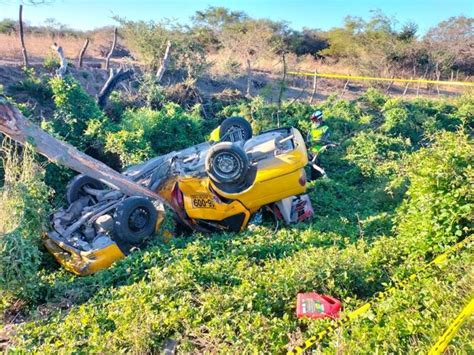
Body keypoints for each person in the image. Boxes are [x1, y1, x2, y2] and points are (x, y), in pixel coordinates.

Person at [307, 110, 329, 178]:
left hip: (319, 149)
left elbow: (324, 140)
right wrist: (308, 142)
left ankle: (316, 179)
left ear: (320, 119)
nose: (314, 122)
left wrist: (316, 142)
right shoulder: (312, 126)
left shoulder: (325, 128)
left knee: (316, 164)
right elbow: (309, 135)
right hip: (311, 149)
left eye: (316, 120)